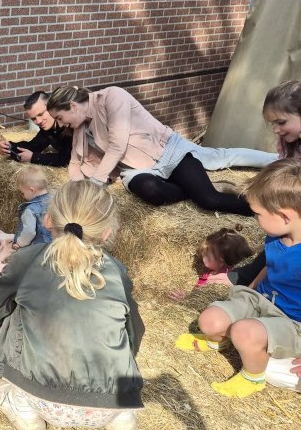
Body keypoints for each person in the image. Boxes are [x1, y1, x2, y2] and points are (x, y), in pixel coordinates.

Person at [0, 180, 144, 430]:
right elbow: (134, 331)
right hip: (110, 402)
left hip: (41, 397)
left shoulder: (26, 259)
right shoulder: (117, 271)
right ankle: (119, 419)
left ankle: (23, 409)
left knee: (15, 311)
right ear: (106, 233)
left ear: (47, 220)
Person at [46, 85, 277, 216]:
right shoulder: (79, 128)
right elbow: (74, 162)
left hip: (167, 152)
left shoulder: (111, 97)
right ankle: (190, 189)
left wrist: (94, 184)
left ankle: (273, 194)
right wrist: (75, 189)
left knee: (212, 183)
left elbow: (118, 144)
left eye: (60, 117)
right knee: (151, 192)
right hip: (134, 170)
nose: (60, 123)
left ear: (73, 106)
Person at [175, 159, 301, 398]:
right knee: (210, 319)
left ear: (284, 216)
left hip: (293, 322)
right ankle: (216, 341)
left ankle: (253, 378)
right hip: (262, 302)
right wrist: (249, 291)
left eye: (258, 214)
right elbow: (270, 266)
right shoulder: (277, 236)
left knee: (244, 331)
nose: (255, 219)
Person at [204, 80, 301, 288]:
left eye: (281, 122)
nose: (275, 129)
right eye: (272, 123)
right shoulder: (291, 143)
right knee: (277, 229)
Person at [169, 228, 253, 301]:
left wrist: (185, 300)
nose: (202, 253)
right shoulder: (213, 271)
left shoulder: (219, 283)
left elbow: (200, 301)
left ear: (220, 261)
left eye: (206, 253)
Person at [0, 91, 72, 166]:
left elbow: (66, 159)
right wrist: (9, 147)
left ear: (51, 107)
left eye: (41, 114)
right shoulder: (48, 128)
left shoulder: (69, 124)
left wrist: (34, 157)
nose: (38, 121)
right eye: (33, 119)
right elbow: (33, 146)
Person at [12, 165, 52, 248]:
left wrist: (19, 243)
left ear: (32, 190)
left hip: (38, 250)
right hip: (57, 246)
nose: (23, 196)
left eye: (23, 193)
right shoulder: (56, 200)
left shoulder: (30, 210)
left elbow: (29, 232)